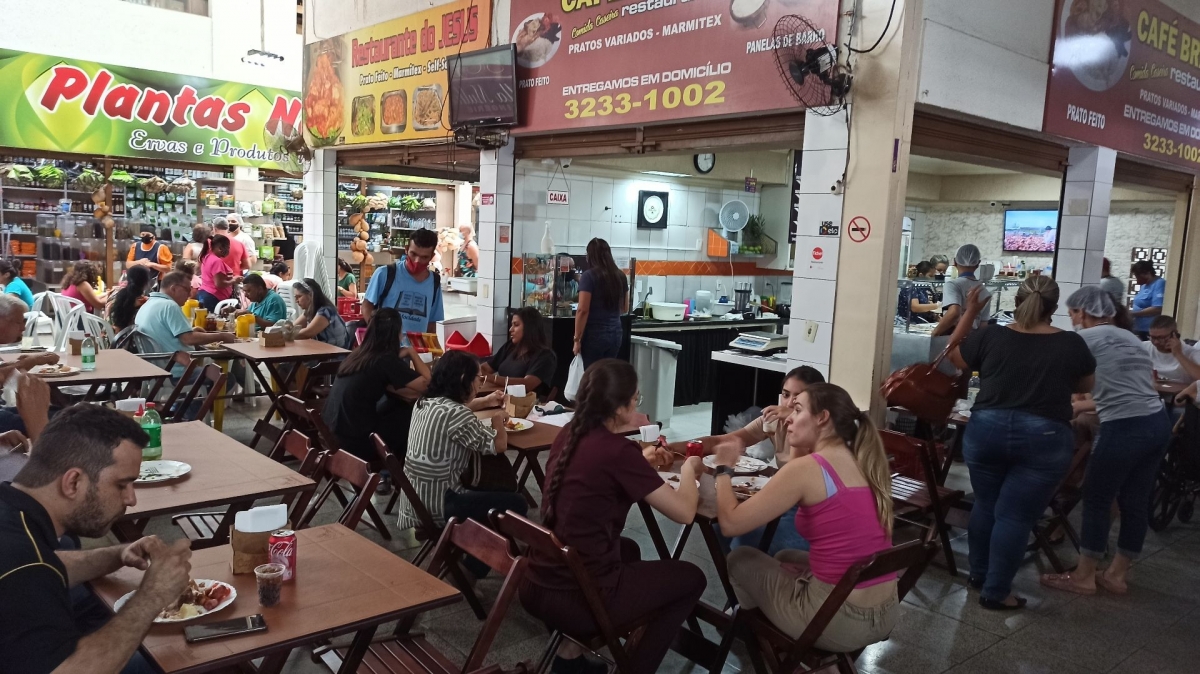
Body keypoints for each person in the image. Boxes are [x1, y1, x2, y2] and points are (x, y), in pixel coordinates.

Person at [519, 359, 706, 674]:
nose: (636, 405)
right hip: (574, 596)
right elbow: (685, 513)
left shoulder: (570, 433)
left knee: (628, 549)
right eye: (636, 399)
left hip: (537, 579)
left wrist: (639, 459)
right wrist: (689, 468)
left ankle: (569, 656)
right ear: (622, 408)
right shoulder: (617, 452)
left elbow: (606, 468)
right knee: (691, 579)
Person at [0, 404, 193, 674]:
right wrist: (152, 596)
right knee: (178, 660)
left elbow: (50, 565)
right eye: (121, 484)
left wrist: (117, 555)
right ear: (73, 482)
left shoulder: (13, 513)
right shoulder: (24, 567)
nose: (131, 499)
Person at [946, 276, 1095, 609]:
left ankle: (979, 575)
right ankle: (996, 592)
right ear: (1054, 308)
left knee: (986, 505)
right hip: (1042, 436)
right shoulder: (1071, 343)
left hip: (986, 429)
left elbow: (955, 355)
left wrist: (970, 311)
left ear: (1016, 301)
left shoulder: (992, 335)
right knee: (1014, 516)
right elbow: (1086, 383)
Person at [715, 383, 898, 652]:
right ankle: (779, 631)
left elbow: (730, 523)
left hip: (839, 620)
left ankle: (766, 643)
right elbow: (795, 470)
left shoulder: (809, 469)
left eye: (797, 409)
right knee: (784, 557)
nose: (788, 416)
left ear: (822, 417)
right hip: (885, 612)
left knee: (739, 558)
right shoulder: (862, 460)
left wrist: (723, 470)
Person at [1042, 286, 1170, 596]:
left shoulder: (1081, 340)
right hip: (1158, 423)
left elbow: (1055, 377)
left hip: (1124, 427)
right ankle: (1116, 575)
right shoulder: (1129, 337)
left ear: (1082, 313)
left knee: (1098, 499)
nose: (1072, 319)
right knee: (1135, 501)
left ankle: (1084, 576)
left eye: (1073, 313)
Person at [673, 366, 826, 555]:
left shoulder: (822, 432)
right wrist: (670, 447)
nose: (788, 404)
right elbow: (722, 441)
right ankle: (737, 580)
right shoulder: (773, 421)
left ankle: (755, 573)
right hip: (783, 500)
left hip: (813, 518)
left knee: (743, 542)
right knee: (718, 528)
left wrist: (796, 419)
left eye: (798, 399)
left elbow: (799, 474)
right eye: (786, 395)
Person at [400, 350, 525, 572]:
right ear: (462, 379)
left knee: (488, 501)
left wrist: (484, 400)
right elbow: (499, 445)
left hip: (415, 499)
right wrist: (498, 417)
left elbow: (456, 411)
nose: (479, 383)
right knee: (515, 504)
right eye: (478, 378)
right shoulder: (458, 415)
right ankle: (472, 570)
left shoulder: (424, 403)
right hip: (441, 503)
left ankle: (467, 551)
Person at [324, 308, 431, 463]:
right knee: (413, 415)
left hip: (332, 433)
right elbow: (427, 384)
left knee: (395, 406)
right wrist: (411, 352)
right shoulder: (384, 359)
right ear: (395, 334)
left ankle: (393, 472)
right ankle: (400, 471)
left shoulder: (360, 354)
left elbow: (391, 385)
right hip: (355, 441)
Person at [136, 271, 236, 370]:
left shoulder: (148, 304)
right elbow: (188, 339)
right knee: (227, 378)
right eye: (187, 290)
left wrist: (190, 330)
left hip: (157, 368)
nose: (189, 295)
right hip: (176, 371)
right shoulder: (170, 306)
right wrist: (222, 336)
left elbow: (168, 334)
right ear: (174, 288)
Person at [362, 228, 443, 335]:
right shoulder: (384, 274)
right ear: (406, 249)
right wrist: (377, 334)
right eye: (413, 254)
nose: (417, 261)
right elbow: (367, 306)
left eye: (424, 257)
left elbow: (433, 323)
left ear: (432, 257)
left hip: (416, 350)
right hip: (386, 348)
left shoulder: (435, 283)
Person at [479, 307, 557, 399]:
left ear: (529, 327)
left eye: (516, 325)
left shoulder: (545, 356)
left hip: (525, 406)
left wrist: (492, 378)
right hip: (501, 398)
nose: (510, 329)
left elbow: (527, 384)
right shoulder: (510, 346)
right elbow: (485, 368)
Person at [574, 238, 628, 367]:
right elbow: (625, 308)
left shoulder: (589, 276)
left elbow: (583, 310)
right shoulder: (620, 275)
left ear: (590, 256)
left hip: (594, 335)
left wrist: (577, 339)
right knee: (607, 376)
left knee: (592, 376)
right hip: (616, 333)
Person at [932, 244, 992, 337]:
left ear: (955, 262)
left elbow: (954, 313)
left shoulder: (952, 285)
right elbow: (983, 324)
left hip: (956, 339)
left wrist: (935, 333)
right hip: (973, 340)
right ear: (978, 264)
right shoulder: (983, 290)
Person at [293, 277, 350, 348]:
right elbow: (293, 327)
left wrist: (284, 334)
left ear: (311, 295)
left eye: (299, 296)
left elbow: (307, 333)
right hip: (323, 352)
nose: (296, 301)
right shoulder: (309, 310)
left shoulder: (326, 311)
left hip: (336, 356)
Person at [1144, 315, 1200, 384]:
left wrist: (1178, 354)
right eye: (1152, 337)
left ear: (1175, 334)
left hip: (1178, 393)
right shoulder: (1143, 347)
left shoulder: (1191, 353)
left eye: (1161, 337)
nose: (1156, 342)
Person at [197, 234, 235, 311]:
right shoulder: (217, 261)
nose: (228, 251)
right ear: (220, 248)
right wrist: (234, 280)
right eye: (227, 248)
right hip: (213, 297)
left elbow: (211, 276)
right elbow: (219, 284)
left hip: (204, 293)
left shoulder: (207, 257)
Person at [108, 266, 152, 332]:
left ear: (127, 279)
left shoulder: (113, 294)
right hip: (128, 340)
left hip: (107, 338)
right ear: (146, 283)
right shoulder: (145, 303)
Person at [1130, 260, 1165, 339]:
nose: (1137, 280)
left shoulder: (1159, 283)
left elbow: (1157, 308)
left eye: (1138, 276)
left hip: (1149, 330)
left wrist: (1134, 314)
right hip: (1138, 327)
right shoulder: (1144, 286)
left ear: (1147, 273)